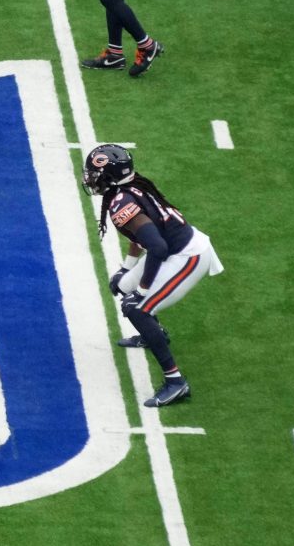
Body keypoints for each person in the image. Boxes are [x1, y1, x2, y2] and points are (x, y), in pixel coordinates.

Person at [84, 144, 222, 408]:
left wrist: (144, 291)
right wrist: (127, 268)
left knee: (135, 308)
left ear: (109, 175)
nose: (90, 178)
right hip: (174, 249)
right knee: (121, 286)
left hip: (187, 256)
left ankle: (175, 381)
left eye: (94, 172)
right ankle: (153, 333)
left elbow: (157, 247)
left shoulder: (121, 202)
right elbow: (142, 233)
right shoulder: (130, 188)